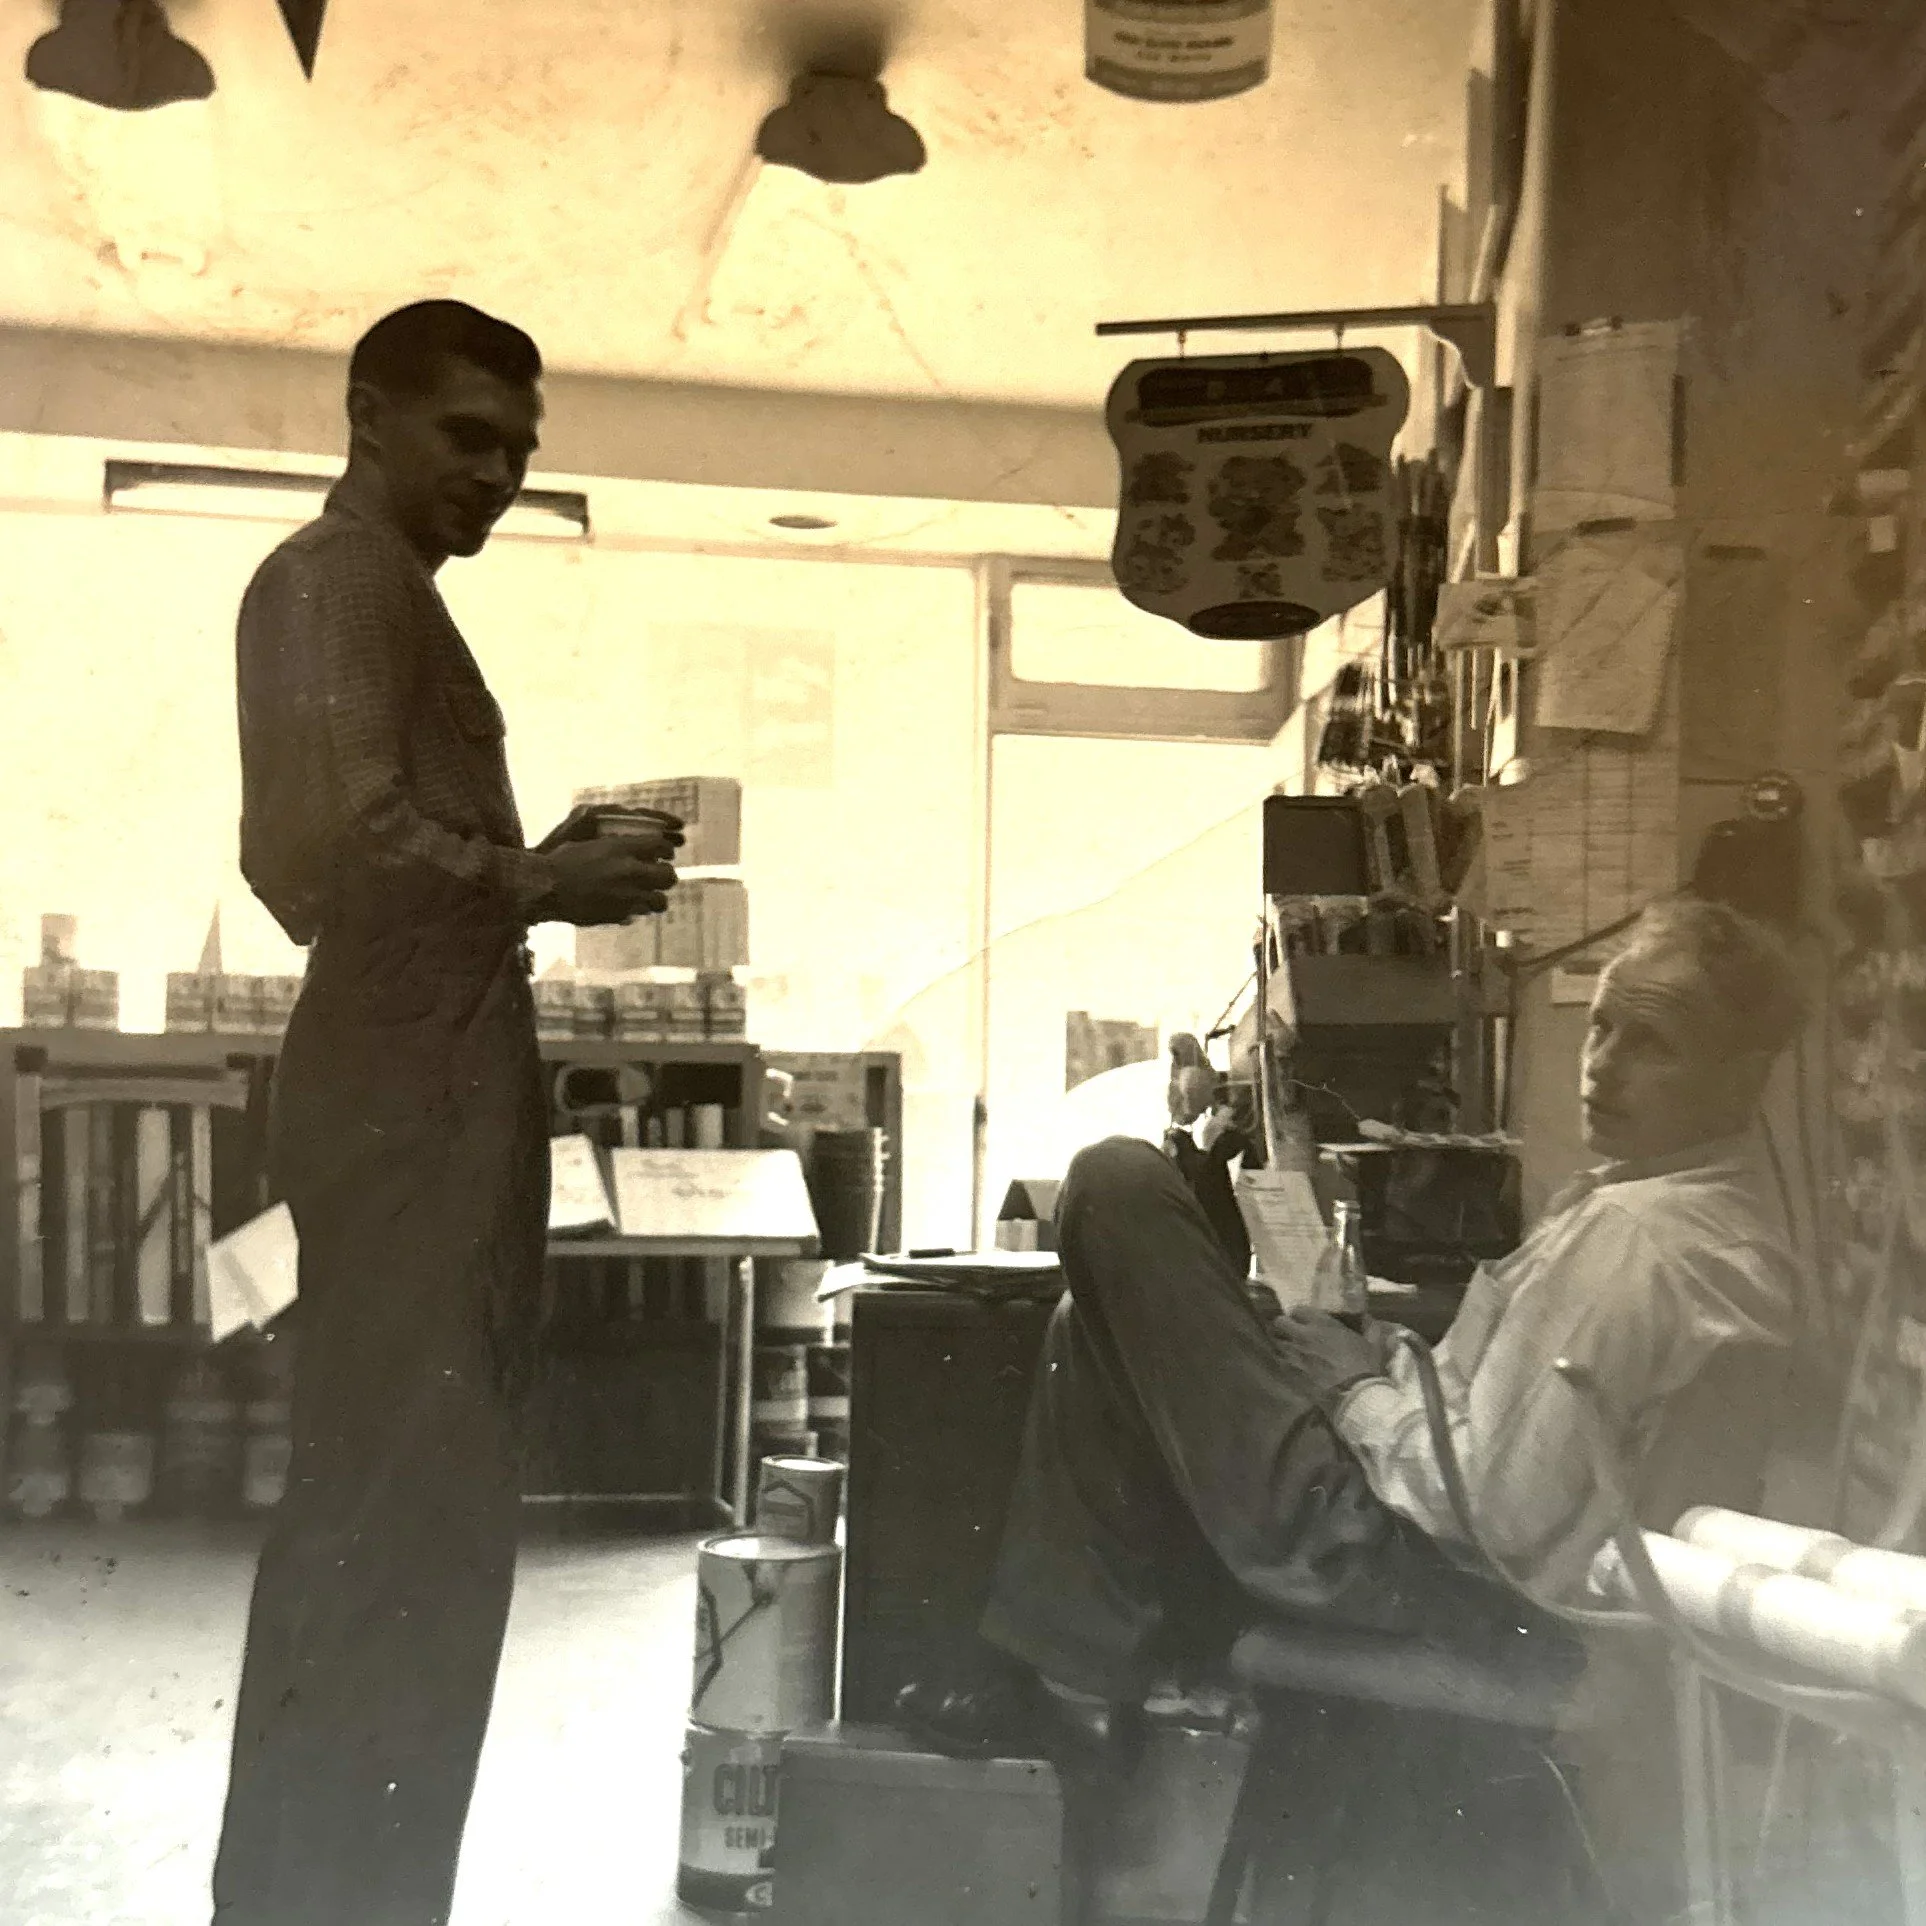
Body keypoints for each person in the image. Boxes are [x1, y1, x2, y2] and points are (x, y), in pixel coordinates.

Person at [898, 894, 1806, 1754]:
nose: (1604, 1062)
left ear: (1742, 1074)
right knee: (1100, 1313)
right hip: (1426, 1544)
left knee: (1116, 1183)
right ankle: (1063, 1682)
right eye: (1603, 1023)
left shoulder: (1638, 1243)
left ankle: (1063, 1675)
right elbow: (1504, 1444)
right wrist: (1383, 1363)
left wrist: (1357, 1390)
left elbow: (1492, 1515)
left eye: (1654, 1044)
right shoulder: (1688, 1213)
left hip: (1408, 1569)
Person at [212, 300, 678, 1926]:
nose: (497, 472)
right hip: (406, 1111)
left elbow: (318, 859)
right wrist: (541, 876)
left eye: (520, 452)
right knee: (400, 1562)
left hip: (420, 1100)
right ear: (368, 412)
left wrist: (516, 872)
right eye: (468, 435)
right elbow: (328, 858)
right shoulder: (340, 582)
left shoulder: (377, 597)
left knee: (392, 1549)